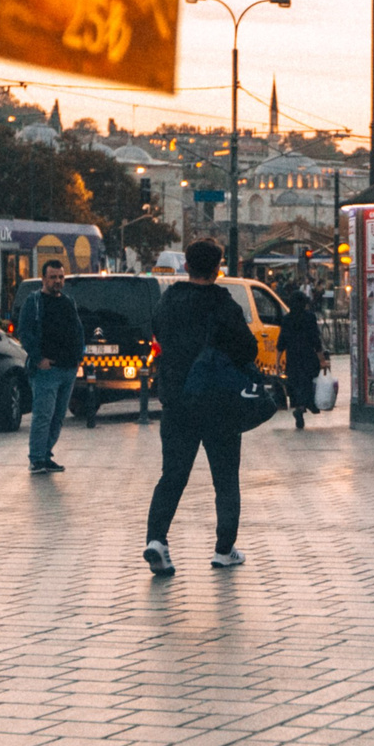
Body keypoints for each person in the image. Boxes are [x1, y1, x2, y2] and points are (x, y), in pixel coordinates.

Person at [144, 239, 259, 573]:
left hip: (177, 402)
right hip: (218, 404)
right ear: (218, 267)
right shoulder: (223, 303)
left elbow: (158, 332)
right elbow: (248, 349)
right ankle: (224, 549)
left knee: (173, 475)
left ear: (186, 266)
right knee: (225, 479)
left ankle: (157, 539)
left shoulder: (170, 300)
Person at [15, 259, 83, 466]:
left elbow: (77, 330)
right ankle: (36, 459)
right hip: (47, 370)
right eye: (53, 277)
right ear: (43, 279)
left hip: (68, 369)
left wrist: (78, 357)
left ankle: (46, 454)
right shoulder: (34, 301)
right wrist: (38, 359)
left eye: (61, 277)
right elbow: (24, 332)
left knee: (58, 416)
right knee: (43, 416)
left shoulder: (68, 302)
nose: (57, 281)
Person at [280, 285, 326, 430]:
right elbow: (315, 340)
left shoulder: (287, 319)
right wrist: (322, 359)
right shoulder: (310, 317)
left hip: (292, 358)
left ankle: (299, 407)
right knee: (307, 381)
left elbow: (281, 342)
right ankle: (308, 404)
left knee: (295, 383)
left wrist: (277, 361)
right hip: (308, 357)